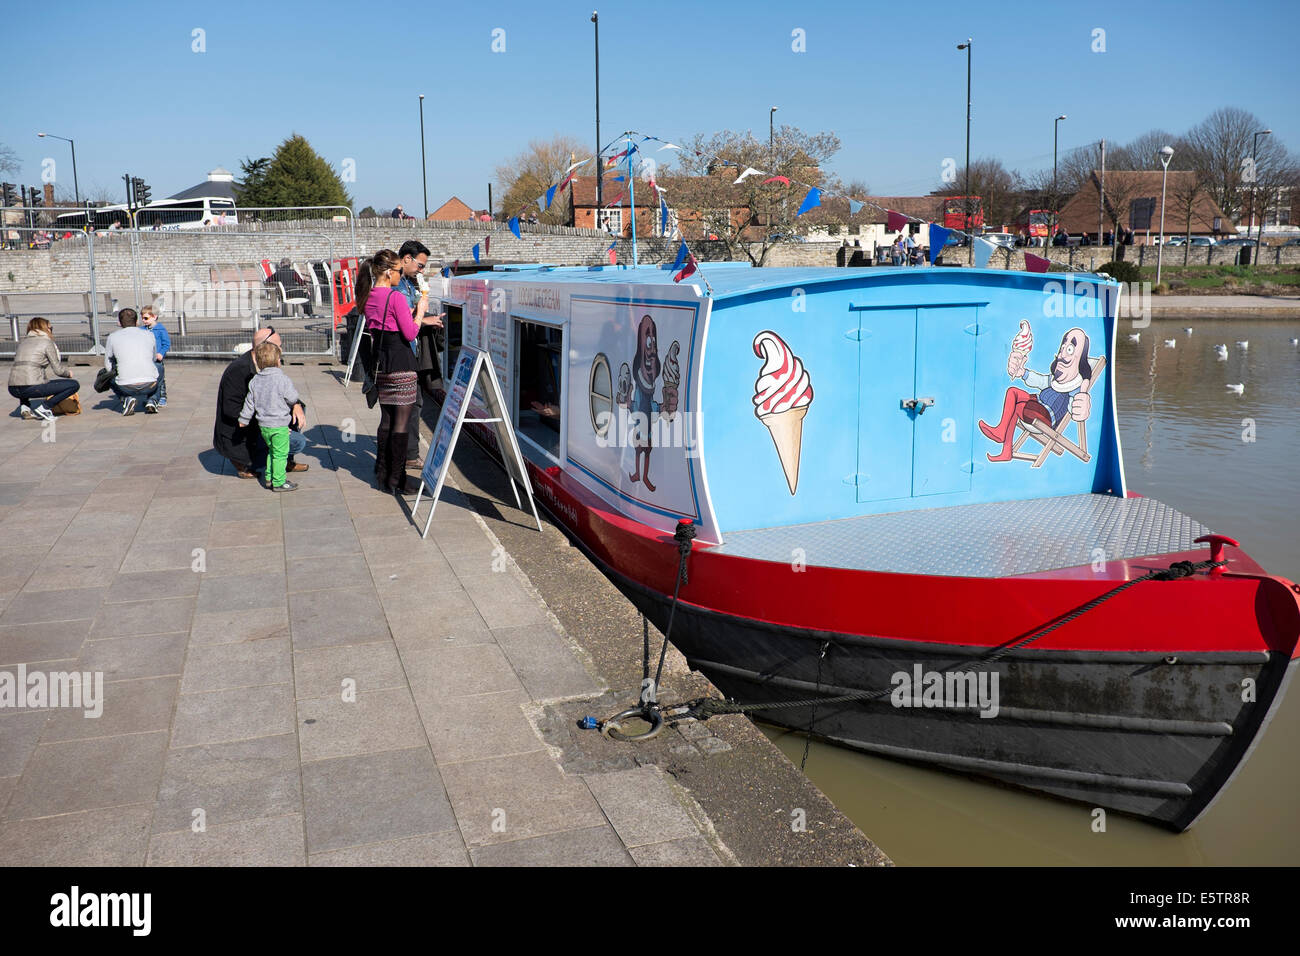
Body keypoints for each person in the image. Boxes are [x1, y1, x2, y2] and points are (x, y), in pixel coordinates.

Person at [356, 249, 437, 494]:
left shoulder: (368, 296)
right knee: (401, 423)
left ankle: (382, 472)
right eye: (399, 272)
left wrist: (411, 315)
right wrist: (421, 311)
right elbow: (410, 333)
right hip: (402, 363)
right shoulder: (395, 298)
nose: (401, 276)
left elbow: (386, 324)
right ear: (389, 271)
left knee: (386, 420)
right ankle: (397, 478)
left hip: (382, 363)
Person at [213, 327, 308, 479]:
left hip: (263, 421)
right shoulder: (239, 370)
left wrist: (296, 405)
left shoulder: (267, 367)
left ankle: (284, 461)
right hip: (245, 432)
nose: (282, 350)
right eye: (279, 347)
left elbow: (285, 394)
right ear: (267, 348)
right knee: (298, 442)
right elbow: (231, 410)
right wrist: (274, 423)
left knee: (298, 410)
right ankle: (245, 463)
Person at [394, 240, 447, 467]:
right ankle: (407, 457)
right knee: (407, 407)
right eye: (421, 265)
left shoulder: (407, 282)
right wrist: (425, 318)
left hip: (410, 352)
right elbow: (402, 320)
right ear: (407, 258)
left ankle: (408, 454)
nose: (422, 270)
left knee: (413, 404)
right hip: (402, 354)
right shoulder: (396, 286)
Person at [239, 340, 303, 492]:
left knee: (272, 451)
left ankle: (269, 477)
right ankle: (279, 482)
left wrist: (243, 419)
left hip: (264, 426)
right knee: (281, 454)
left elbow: (250, 402)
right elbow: (292, 397)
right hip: (279, 425)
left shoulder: (255, 381)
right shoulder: (282, 379)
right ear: (277, 361)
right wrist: (294, 403)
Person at [7, 317, 79, 421]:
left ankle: (25, 406)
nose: (51, 330)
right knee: (73, 385)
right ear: (45, 328)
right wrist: (68, 373)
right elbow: (58, 370)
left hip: (13, 389)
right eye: (51, 328)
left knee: (23, 374)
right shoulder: (46, 342)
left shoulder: (23, 343)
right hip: (31, 387)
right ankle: (45, 407)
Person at [104, 308, 161, 415]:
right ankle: (152, 400)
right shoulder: (149, 334)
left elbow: (108, 364)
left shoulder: (112, 337)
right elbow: (153, 359)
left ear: (119, 323)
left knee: (107, 373)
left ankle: (126, 398)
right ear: (137, 322)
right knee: (159, 367)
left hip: (125, 386)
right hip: (149, 384)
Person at [140, 305, 171, 408]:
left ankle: (162, 396)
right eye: (142, 318)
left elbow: (166, 343)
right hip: (146, 359)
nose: (144, 321)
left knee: (160, 379)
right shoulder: (142, 330)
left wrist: (161, 353)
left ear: (154, 317)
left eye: (146, 318)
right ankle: (151, 397)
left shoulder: (160, 329)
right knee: (148, 379)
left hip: (157, 359)